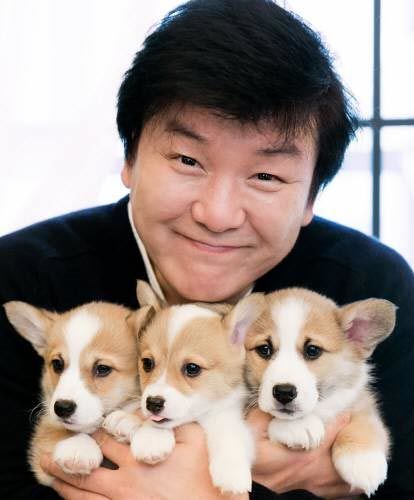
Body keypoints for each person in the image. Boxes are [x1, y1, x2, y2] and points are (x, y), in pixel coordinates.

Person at [0, 0, 413, 498]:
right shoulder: (20, 276)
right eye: (188, 160)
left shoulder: (366, 282)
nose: (217, 214)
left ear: (310, 197)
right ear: (129, 157)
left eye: (266, 175)